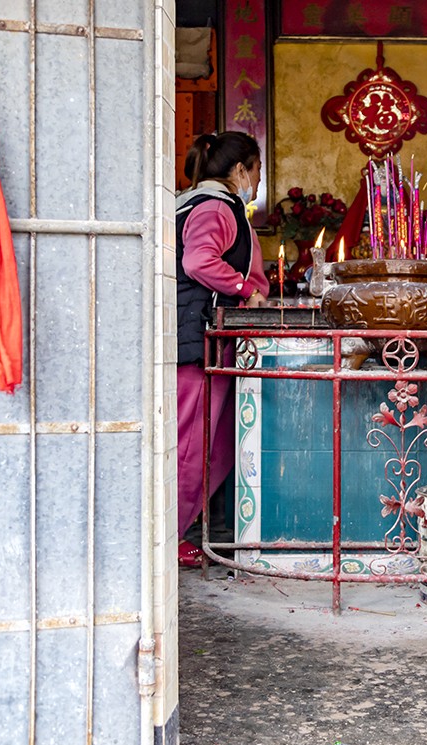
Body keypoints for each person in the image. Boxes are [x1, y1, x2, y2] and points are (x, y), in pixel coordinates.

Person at [175, 131, 268, 566]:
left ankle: (175, 533)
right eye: (257, 169)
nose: (258, 179)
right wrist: (244, 287)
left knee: (216, 446)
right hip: (197, 344)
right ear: (239, 170)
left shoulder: (200, 203)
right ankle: (166, 542)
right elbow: (197, 261)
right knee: (193, 449)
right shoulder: (215, 206)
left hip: (204, 344)